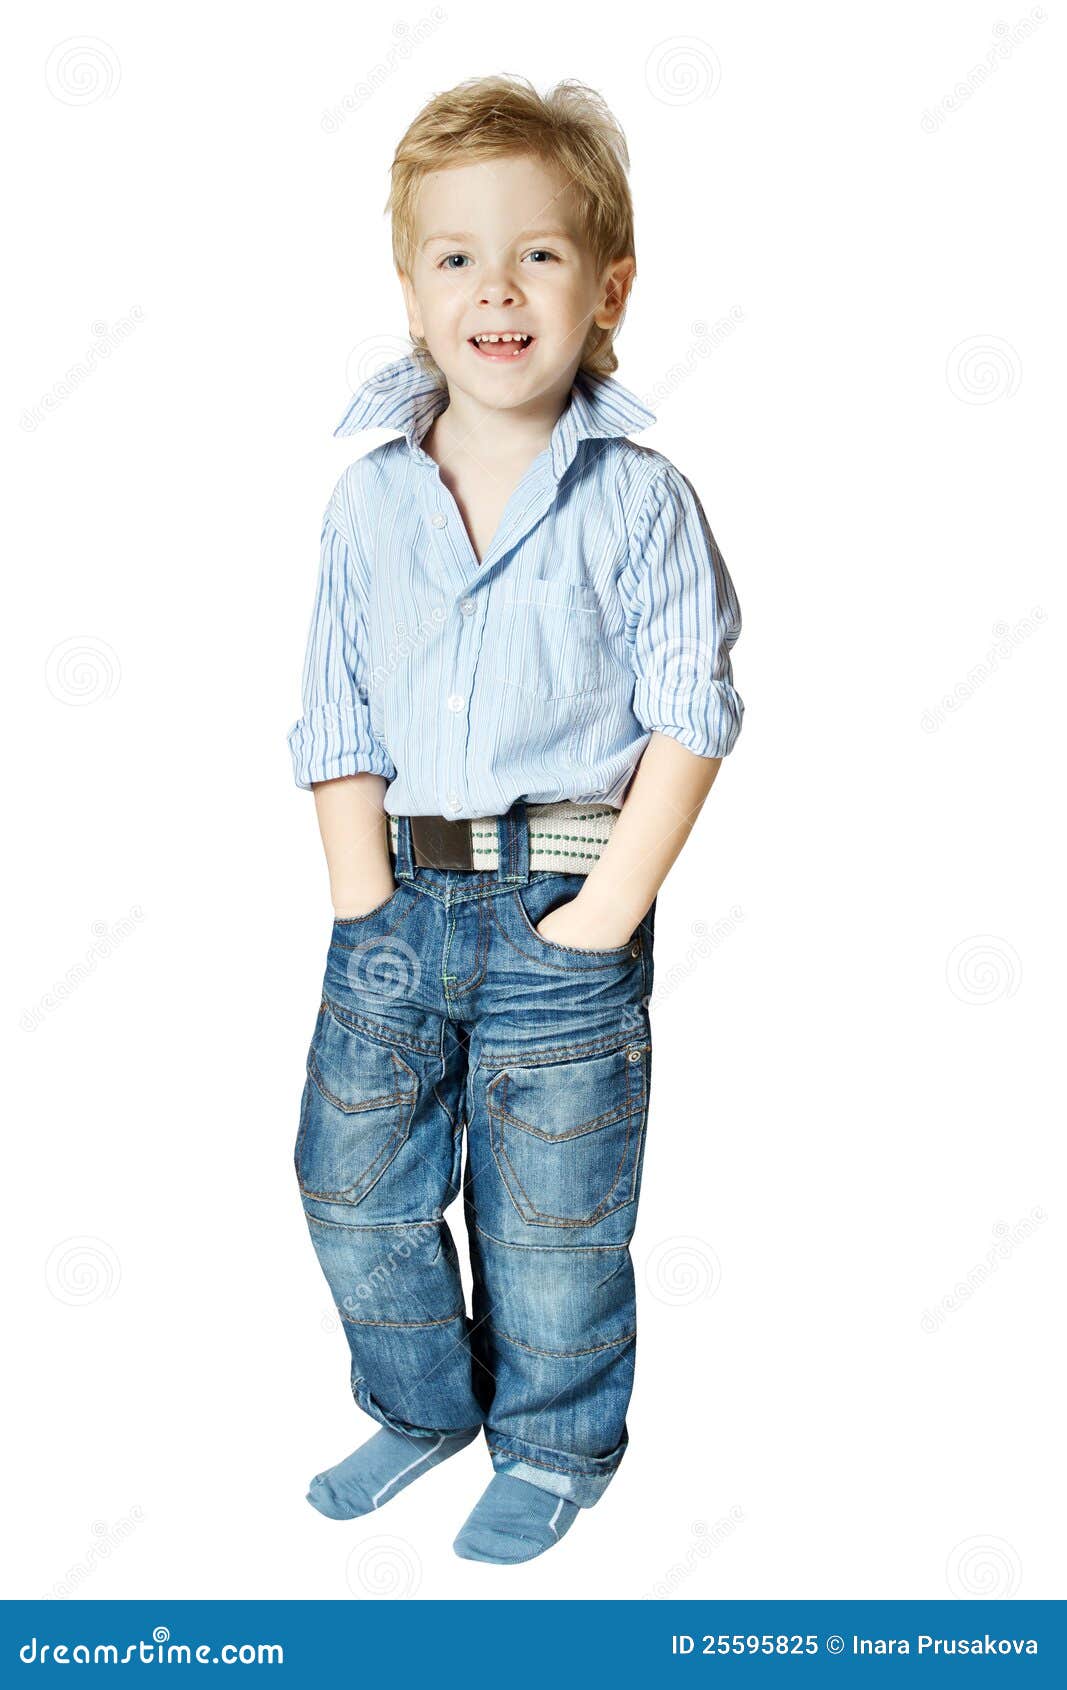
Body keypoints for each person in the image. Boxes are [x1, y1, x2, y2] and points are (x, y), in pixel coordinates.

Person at [287, 74, 744, 1565]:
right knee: (353, 1183)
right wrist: (361, 896)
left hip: (564, 893)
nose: (497, 289)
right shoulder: (367, 505)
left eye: (539, 254)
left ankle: (555, 1440)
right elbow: (336, 707)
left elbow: (693, 708)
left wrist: (607, 906)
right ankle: (421, 1402)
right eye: (457, 257)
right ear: (411, 292)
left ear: (607, 285)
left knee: (551, 1221)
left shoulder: (638, 499)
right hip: (398, 904)